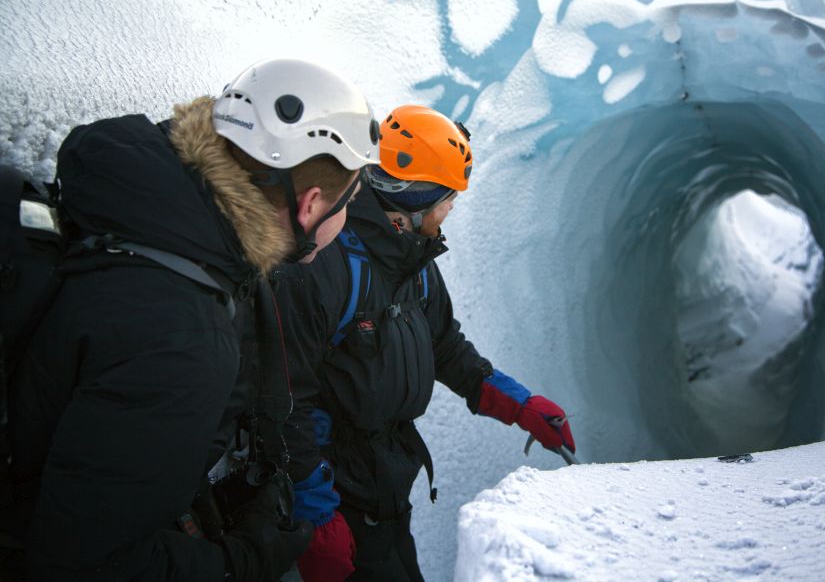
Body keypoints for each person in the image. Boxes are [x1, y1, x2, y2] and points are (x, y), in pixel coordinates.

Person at [2, 58, 379, 581]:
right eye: (346, 203)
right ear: (310, 204)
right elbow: (88, 567)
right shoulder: (184, 340)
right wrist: (245, 558)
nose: (345, 218)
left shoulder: (141, 207)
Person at [271, 105, 576, 581]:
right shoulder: (329, 265)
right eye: (448, 197)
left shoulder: (414, 265)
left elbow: (445, 347)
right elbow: (285, 397)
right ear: (415, 201)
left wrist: (520, 405)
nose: (452, 207)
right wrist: (315, 513)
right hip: (336, 496)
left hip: (387, 485)